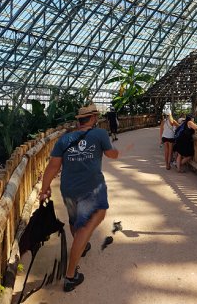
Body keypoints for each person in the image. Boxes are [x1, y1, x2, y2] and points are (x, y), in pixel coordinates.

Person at [37, 103, 119, 292]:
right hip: (91, 189)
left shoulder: (65, 139)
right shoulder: (99, 134)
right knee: (91, 222)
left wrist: (44, 189)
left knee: (75, 221)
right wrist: (115, 152)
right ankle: (70, 276)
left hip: (68, 189)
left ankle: (82, 246)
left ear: (79, 120)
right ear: (92, 118)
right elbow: (111, 154)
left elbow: (52, 167)